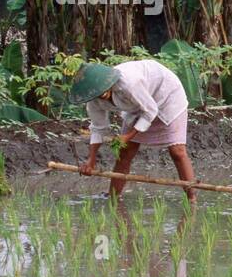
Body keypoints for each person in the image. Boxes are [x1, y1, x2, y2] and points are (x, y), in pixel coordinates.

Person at [70, 60, 196, 202]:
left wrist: (128, 136)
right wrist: (91, 159)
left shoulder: (129, 83)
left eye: (103, 89)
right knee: (125, 152)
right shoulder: (93, 100)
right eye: (97, 93)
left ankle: (192, 200)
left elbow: (150, 110)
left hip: (166, 95)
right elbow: (98, 128)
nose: (102, 94)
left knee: (177, 151)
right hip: (137, 106)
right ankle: (113, 198)